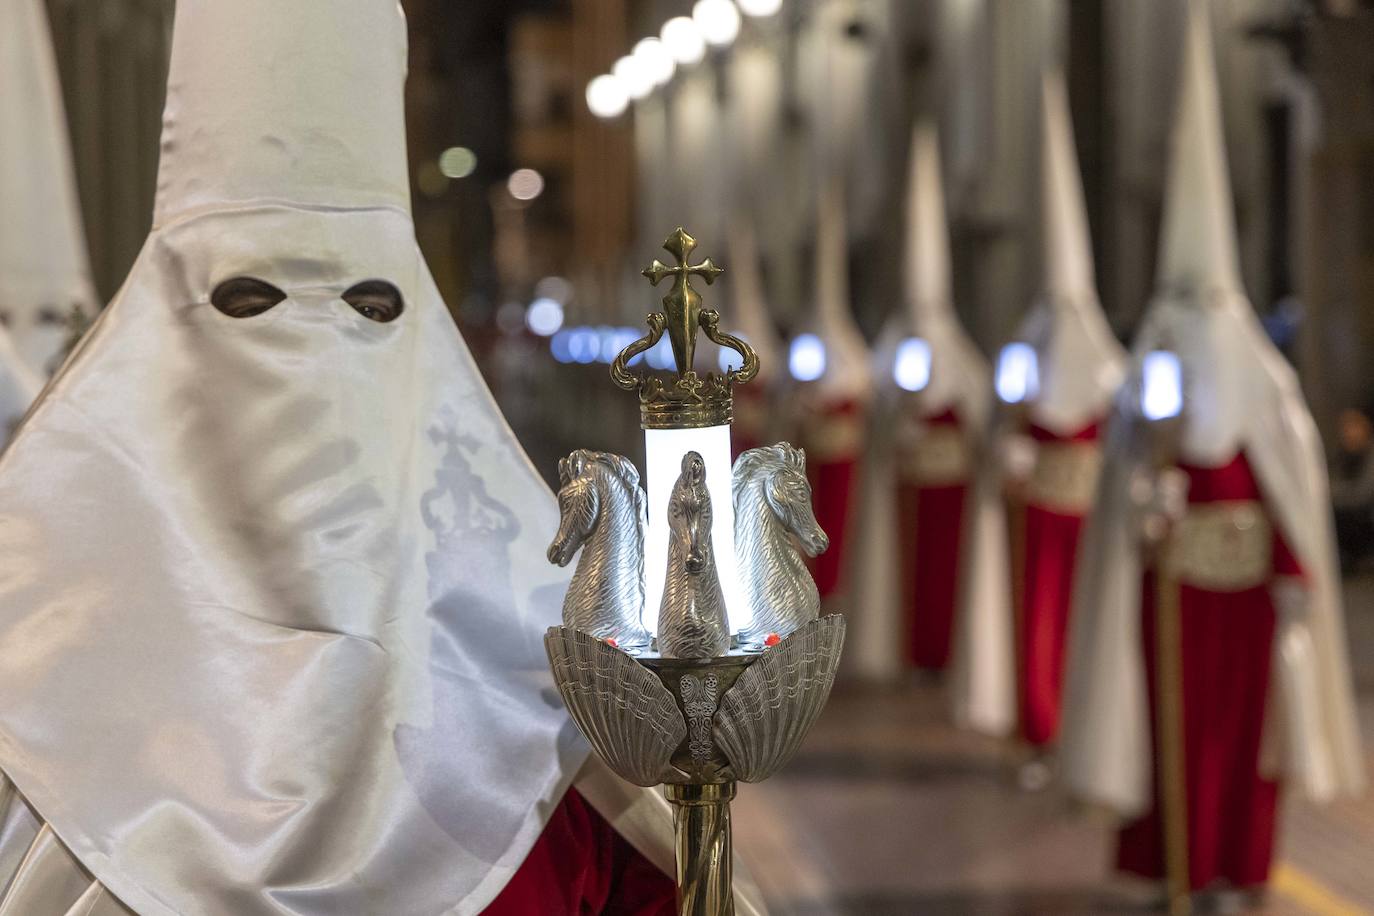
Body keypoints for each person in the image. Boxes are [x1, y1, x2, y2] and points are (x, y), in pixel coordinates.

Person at [0, 1, 764, 912]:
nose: (310, 358)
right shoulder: (28, 697)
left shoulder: (565, 731)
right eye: (251, 301)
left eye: (369, 308)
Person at [1059, 5, 1363, 904]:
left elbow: (1289, 476)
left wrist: (1298, 564)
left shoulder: (1264, 380)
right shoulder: (1150, 365)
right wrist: (1148, 497)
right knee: (1169, 733)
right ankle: (1174, 867)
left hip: (1247, 597)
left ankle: (1234, 863)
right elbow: (1129, 486)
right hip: (1170, 593)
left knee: (1245, 738)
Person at [950, 72, 1126, 756]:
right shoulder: (1024, 351)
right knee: (1041, 627)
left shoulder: (1111, 365)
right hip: (1041, 517)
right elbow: (1002, 429)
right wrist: (1012, 451)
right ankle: (1040, 725)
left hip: (1091, 515)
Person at [851, 120, 992, 681]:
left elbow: (986, 431)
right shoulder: (886, 357)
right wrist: (897, 422)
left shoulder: (969, 367)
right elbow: (872, 423)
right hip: (906, 498)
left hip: (953, 499)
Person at [1332, 406, 1374, 570]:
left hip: (1364, 516)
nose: (1349, 432)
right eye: (1346, 427)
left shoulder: (1370, 455)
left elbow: (1363, 494)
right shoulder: (1343, 455)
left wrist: (1331, 495)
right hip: (1348, 510)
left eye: (1354, 426)